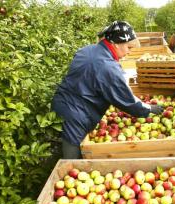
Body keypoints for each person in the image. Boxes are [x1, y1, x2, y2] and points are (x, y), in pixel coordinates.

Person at [52, 21, 164, 159]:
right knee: (72, 159)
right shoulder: (107, 66)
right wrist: (149, 109)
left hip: (63, 103)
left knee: (63, 142)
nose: (129, 52)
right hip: (76, 114)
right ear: (116, 43)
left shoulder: (87, 50)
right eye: (128, 47)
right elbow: (126, 100)